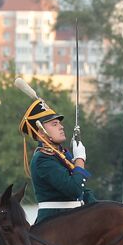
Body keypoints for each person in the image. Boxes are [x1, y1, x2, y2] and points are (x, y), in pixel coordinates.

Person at [22, 92, 94, 224]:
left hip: (70, 220)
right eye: (54, 124)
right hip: (53, 224)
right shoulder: (42, 159)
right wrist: (80, 159)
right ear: (40, 132)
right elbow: (74, 189)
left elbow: (82, 191)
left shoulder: (60, 154)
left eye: (59, 123)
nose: (61, 126)